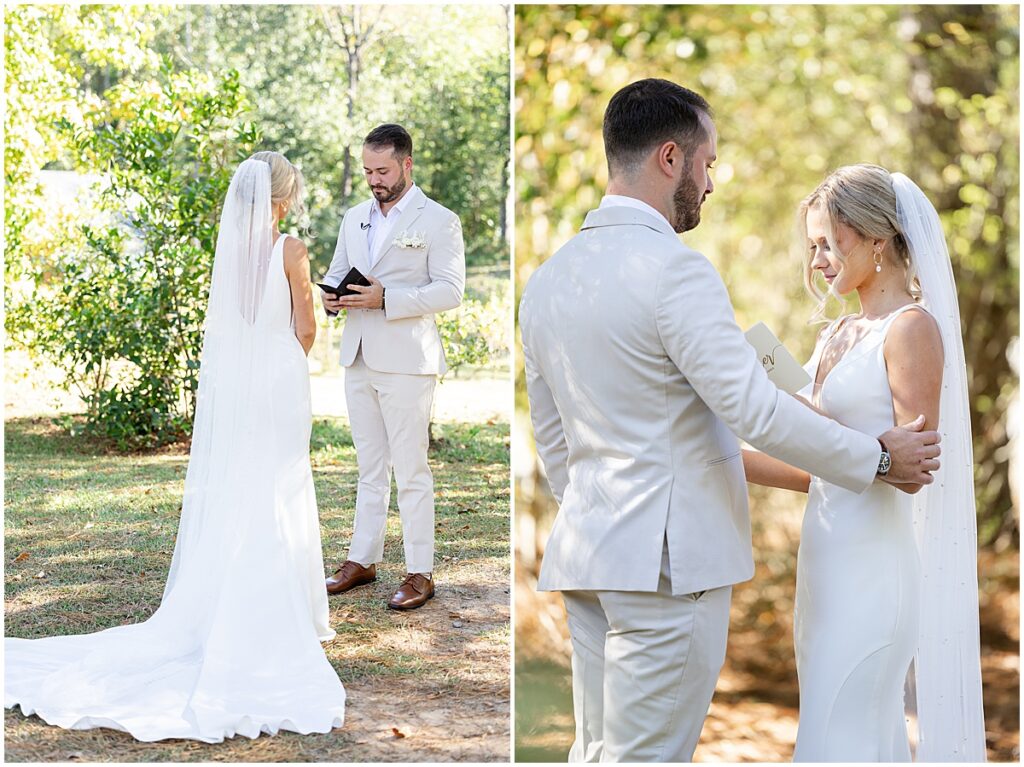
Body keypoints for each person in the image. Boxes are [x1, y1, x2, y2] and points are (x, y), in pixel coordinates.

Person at [519, 79, 943, 762]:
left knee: (595, 752)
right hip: (667, 566)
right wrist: (880, 457)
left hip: (589, 556)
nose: (710, 182)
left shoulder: (548, 281)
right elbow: (753, 408)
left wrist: (597, 517)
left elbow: (554, 438)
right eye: (707, 162)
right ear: (669, 157)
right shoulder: (676, 273)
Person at [5, 152, 346, 742]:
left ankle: (219, 594)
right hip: (276, 379)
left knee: (243, 481)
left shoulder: (229, 252)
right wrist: (293, 358)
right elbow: (307, 327)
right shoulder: (289, 248)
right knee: (283, 480)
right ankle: (286, 605)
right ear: (284, 198)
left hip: (239, 383)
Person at [743, 164, 987, 761]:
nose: (817, 260)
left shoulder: (911, 330)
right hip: (825, 565)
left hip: (874, 574)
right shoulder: (837, 335)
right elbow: (816, 467)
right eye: (811, 247)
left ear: (877, 238)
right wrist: (725, 457)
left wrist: (799, 418)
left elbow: (909, 471)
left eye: (828, 242)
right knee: (837, 735)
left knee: (842, 734)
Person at [320, 124, 465, 611]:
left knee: (411, 468)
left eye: (382, 171)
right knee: (369, 466)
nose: (374, 180)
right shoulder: (354, 217)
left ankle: (420, 571)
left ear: (406, 164)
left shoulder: (439, 220)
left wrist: (389, 298)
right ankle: (362, 560)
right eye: (367, 171)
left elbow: (451, 290)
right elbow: (339, 271)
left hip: (407, 360)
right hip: (358, 353)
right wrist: (332, 300)